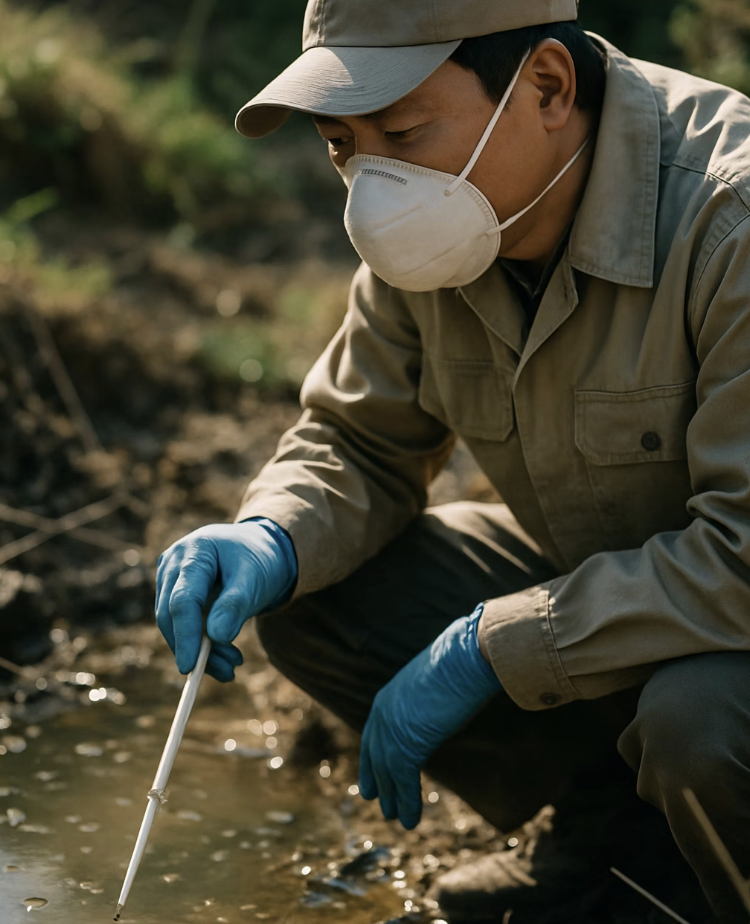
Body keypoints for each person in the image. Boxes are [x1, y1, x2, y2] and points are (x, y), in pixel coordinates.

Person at [155, 1, 750, 921]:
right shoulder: (441, 227)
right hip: (630, 594)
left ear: (546, 86)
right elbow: (358, 439)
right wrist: (269, 533)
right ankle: (615, 843)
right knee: (314, 590)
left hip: (729, 626)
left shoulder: (729, 218)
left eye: (401, 132)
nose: (373, 183)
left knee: (698, 721)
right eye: (342, 144)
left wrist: (492, 645)